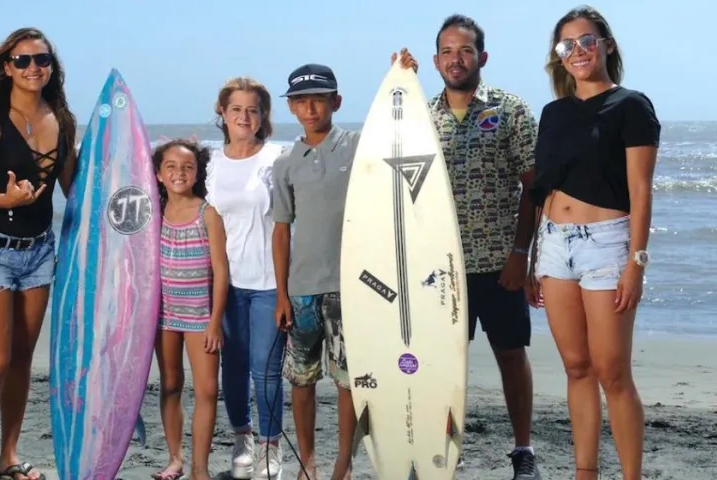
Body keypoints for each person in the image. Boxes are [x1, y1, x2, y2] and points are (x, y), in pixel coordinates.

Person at [393, 14, 543, 480]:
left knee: (510, 353)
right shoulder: (420, 113)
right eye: (447, 51)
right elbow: (395, 179)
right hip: (436, 268)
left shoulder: (509, 108)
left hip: (499, 263)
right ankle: (438, 453)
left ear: (483, 56)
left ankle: (523, 450)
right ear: (436, 59)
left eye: (466, 50)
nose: (456, 59)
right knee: (438, 365)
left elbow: (534, 187)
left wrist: (522, 256)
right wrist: (400, 81)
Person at [526, 6, 660, 480]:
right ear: (558, 57)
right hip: (553, 246)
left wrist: (636, 264)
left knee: (613, 373)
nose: (578, 51)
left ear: (607, 45)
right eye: (568, 45)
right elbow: (542, 189)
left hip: (607, 245)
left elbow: (641, 191)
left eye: (587, 41)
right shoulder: (553, 113)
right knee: (577, 367)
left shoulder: (631, 106)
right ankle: (585, 473)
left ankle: (631, 476)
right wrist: (530, 262)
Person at [271, 58, 416, 480]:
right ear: (292, 108)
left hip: (352, 288)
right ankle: (309, 460)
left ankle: (343, 462)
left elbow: (400, 132)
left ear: (336, 101)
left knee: (350, 380)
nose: (310, 108)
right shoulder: (285, 162)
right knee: (301, 380)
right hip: (302, 289)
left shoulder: (359, 146)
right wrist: (281, 293)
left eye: (319, 99)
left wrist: (402, 79)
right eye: (301, 101)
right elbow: (281, 231)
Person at [0, 27, 77, 480]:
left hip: (39, 250)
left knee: (22, 359)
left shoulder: (61, 118)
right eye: (22, 61)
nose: (32, 68)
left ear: (51, 66)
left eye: (40, 59)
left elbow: (72, 188)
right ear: (8, 67)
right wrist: (4, 201)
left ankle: (8, 456)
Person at [206, 77, 288, 479]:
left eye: (252, 110)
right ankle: (243, 440)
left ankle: (271, 452)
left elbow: (294, 218)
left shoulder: (277, 158)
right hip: (224, 284)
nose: (244, 116)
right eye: (236, 108)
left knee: (267, 370)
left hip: (271, 282)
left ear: (263, 117)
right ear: (222, 112)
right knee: (232, 368)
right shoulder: (208, 162)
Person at [151, 139, 229, 480]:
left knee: (207, 389)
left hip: (200, 317)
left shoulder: (207, 213)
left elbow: (222, 271)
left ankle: (200, 468)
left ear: (197, 172)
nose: (179, 173)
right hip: (163, 316)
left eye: (187, 167)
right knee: (170, 384)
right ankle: (175, 459)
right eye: (170, 166)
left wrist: (215, 322)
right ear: (158, 174)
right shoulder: (153, 213)